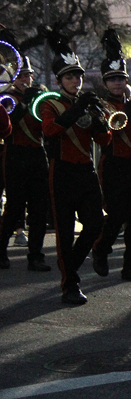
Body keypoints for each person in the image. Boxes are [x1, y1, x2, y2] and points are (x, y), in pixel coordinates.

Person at [40, 27, 112, 305]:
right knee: (65, 231)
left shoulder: (87, 103)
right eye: (70, 77)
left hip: (86, 172)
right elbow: (50, 131)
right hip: (62, 172)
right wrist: (77, 109)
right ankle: (69, 284)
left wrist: (98, 119)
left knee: (95, 225)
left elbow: (105, 139)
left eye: (78, 77)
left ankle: (70, 264)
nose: (76, 81)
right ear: (60, 80)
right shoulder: (52, 104)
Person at [91, 28, 131, 282]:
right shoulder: (102, 105)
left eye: (121, 79)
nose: (117, 83)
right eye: (112, 80)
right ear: (105, 83)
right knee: (115, 216)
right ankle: (100, 249)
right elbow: (115, 126)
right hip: (113, 163)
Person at [0, 51, 52, 272]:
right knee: (14, 207)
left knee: (39, 208)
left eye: (28, 75)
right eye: (21, 76)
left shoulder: (38, 97)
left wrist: (41, 99)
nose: (25, 80)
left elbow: (47, 127)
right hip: (15, 154)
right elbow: (8, 124)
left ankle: (36, 255)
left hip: (37, 155)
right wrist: (26, 102)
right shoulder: (6, 98)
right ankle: (1, 251)